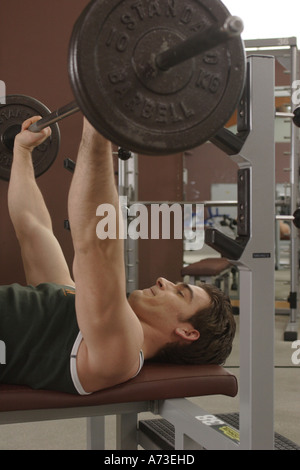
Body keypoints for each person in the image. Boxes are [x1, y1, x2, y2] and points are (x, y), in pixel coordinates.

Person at [0, 116, 236, 395]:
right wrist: (23, 152)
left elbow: (96, 243)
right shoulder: (75, 304)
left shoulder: (123, 352)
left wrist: (99, 120)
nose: (163, 281)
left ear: (187, 332)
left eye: (180, 293)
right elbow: (32, 229)